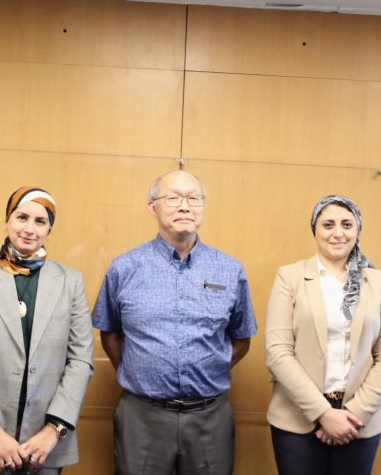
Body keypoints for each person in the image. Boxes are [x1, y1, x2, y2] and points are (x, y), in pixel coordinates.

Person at [92, 169, 258, 475]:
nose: (185, 206)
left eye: (194, 198)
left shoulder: (229, 270)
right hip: (142, 415)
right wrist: (140, 373)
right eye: (173, 198)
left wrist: (210, 367)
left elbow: (242, 337)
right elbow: (110, 333)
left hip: (209, 417)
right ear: (152, 207)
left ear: (203, 206)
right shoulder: (124, 268)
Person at [0, 186, 94, 475]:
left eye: (40, 221)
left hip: (44, 447)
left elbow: (80, 361)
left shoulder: (70, 282)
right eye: (22, 217)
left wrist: (54, 430)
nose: (29, 229)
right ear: (7, 220)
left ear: (49, 228)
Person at [265, 195, 381, 475]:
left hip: (359, 420)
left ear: (357, 229)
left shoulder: (378, 282)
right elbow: (278, 353)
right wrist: (323, 413)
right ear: (315, 229)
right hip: (296, 419)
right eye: (328, 224)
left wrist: (354, 414)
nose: (338, 233)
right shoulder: (289, 277)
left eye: (347, 224)